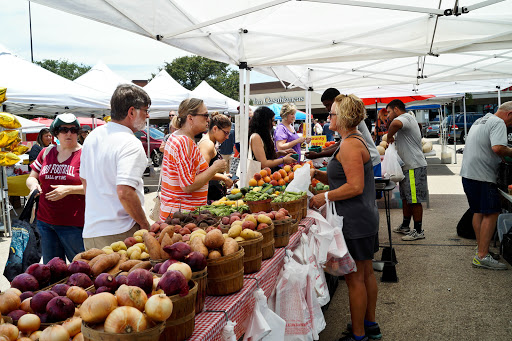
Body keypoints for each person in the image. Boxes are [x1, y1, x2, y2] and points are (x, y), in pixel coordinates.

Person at [309, 94, 380, 341]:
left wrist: (324, 197)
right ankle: (369, 324)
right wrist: (318, 175)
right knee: (366, 272)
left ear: (344, 117)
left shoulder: (350, 144)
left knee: (355, 278)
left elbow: (354, 186)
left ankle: (359, 334)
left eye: (332, 113)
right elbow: (344, 178)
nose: (328, 116)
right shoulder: (350, 140)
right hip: (363, 217)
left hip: (355, 219)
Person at [80, 84, 151, 249]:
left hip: (91, 232)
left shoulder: (93, 136)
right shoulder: (131, 143)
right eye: (145, 110)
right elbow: (125, 192)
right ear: (131, 112)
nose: (147, 116)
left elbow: (85, 181)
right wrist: (144, 223)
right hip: (120, 233)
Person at [26, 113, 85, 263]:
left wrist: (69, 190)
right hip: (45, 222)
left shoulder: (85, 154)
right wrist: (34, 185)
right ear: (56, 133)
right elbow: (32, 177)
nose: (69, 133)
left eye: (73, 130)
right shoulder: (46, 152)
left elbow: (96, 187)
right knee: (52, 272)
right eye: (64, 130)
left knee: (81, 270)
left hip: (74, 224)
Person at [460, 101, 512, 270]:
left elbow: (485, 147)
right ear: (509, 114)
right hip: (482, 176)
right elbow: (497, 148)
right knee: (492, 212)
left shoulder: (481, 120)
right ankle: (482, 256)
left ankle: (481, 249)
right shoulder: (498, 123)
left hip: (468, 174)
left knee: (479, 212)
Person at [160, 98, 227, 219]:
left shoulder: (176, 137)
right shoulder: (184, 142)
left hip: (178, 214)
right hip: (183, 217)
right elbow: (188, 186)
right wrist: (215, 168)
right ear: (190, 118)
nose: (208, 119)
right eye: (205, 115)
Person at [307, 88, 381, 177]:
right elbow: (342, 143)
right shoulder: (347, 135)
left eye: (332, 114)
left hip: (371, 160)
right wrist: (322, 151)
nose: (328, 110)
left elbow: (355, 187)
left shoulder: (351, 119)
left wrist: (319, 154)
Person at [386, 99, 428, 241]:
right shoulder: (406, 119)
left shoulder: (404, 118)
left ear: (397, 109)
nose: (388, 115)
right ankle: (405, 225)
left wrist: (389, 135)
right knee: (406, 198)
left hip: (414, 166)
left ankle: (418, 230)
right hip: (407, 166)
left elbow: (395, 123)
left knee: (414, 199)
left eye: (389, 112)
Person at [198, 112, 234, 202]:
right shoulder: (207, 144)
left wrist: (224, 175)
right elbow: (203, 173)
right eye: (225, 133)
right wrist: (224, 178)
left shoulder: (210, 142)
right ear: (215, 129)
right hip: (210, 197)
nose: (227, 137)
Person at [249, 106, 295, 172]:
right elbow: (264, 164)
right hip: (260, 178)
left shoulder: (265, 135)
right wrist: (283, 160)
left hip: (268, 176)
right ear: (264, 121)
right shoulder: (256, 137)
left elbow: (267, 156)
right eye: (272, 121)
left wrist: (279, 153)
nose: (274, 124)